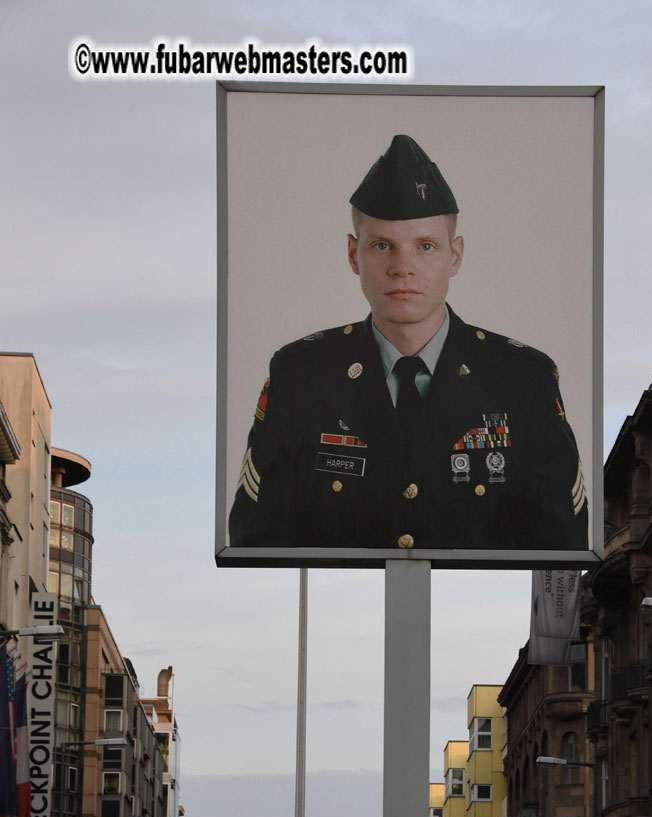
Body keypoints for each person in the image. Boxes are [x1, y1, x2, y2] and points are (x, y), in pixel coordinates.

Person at [228, 134, 588, 556]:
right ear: (353, 254)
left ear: (455, 256)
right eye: (382, 246)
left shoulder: (522, 379)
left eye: (425, 246)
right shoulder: (301, 375)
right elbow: (256, 542)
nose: (402, 267)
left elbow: (561, 547)